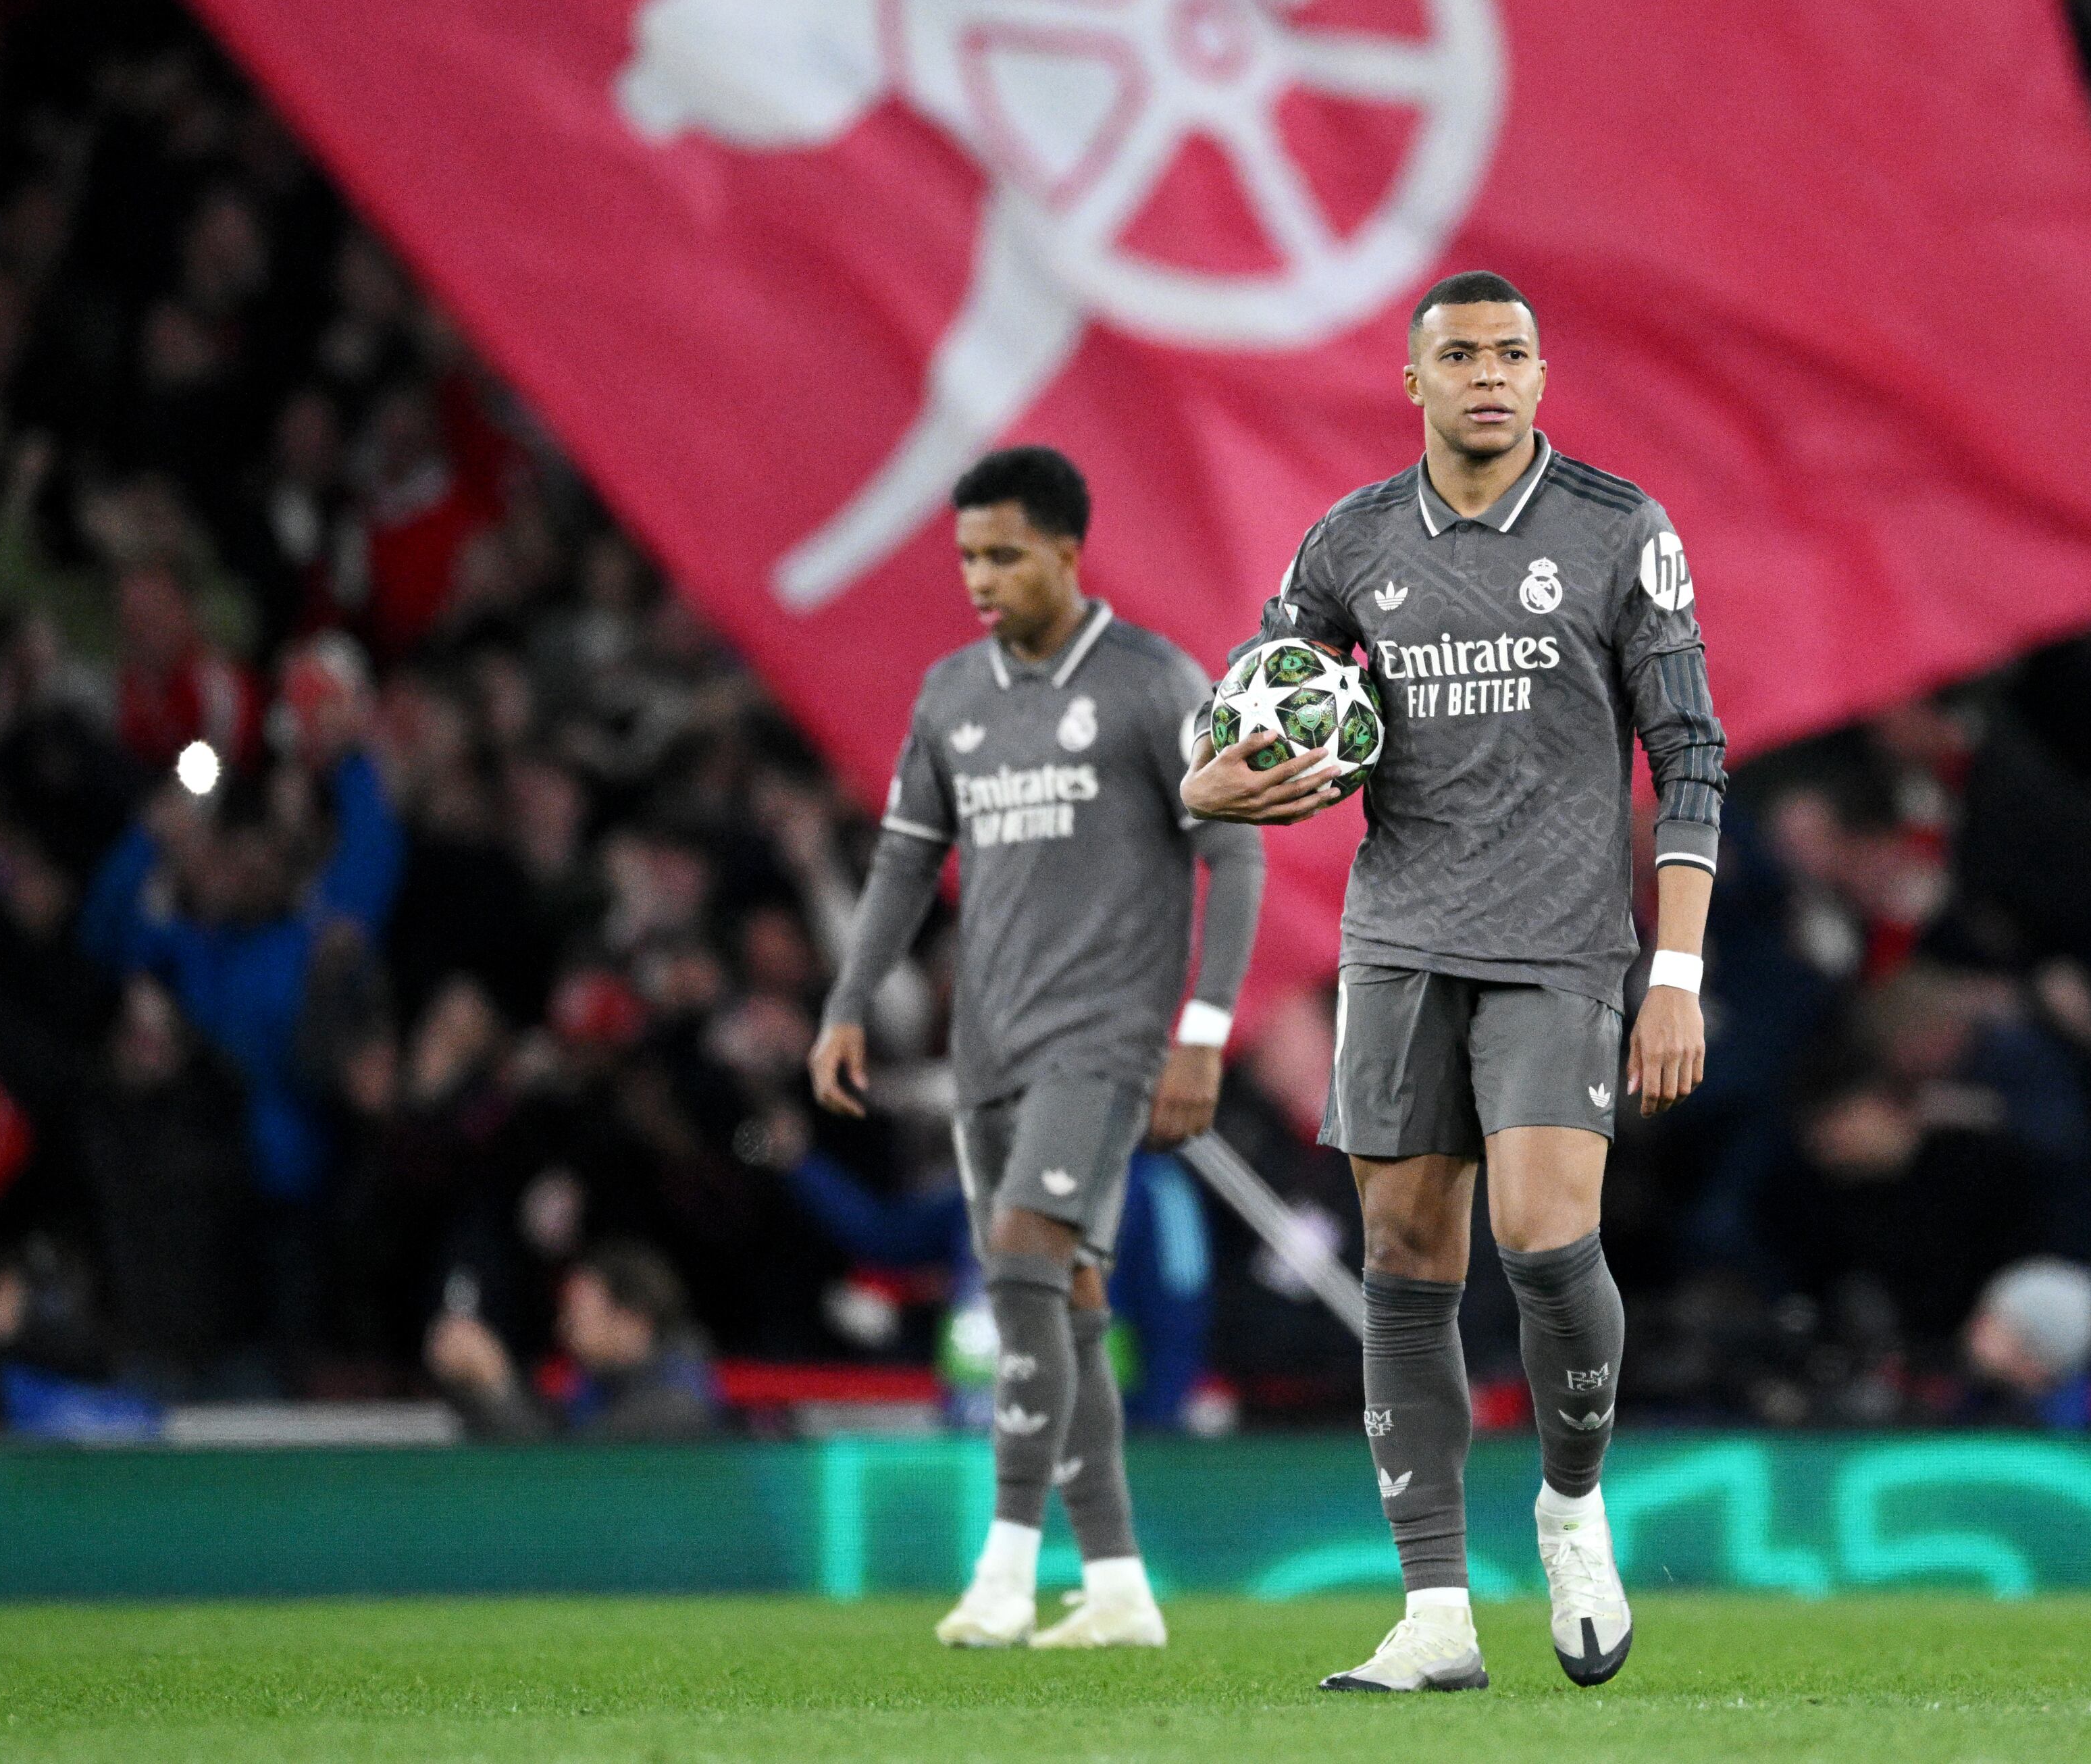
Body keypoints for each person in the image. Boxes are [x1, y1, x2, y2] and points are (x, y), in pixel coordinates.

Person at [1185, 269, 1724, 1694]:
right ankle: (1434, 1611)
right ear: (1413, 381)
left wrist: (1675, 971)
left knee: (1545, 1241)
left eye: (1513, 353)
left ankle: (1571, 1501)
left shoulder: (1620, 528)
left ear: (1542, 376)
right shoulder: (1351, 539)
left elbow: (1690, 752)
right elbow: (1256, 693)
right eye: (1462, 354)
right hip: (1401, 941)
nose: (1490, 373)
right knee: (1406, 1268)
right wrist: (1210, 776)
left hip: (1559, 943)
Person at [808, 446, 1262, 1651]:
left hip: (1104, 1039)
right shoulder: (952, 692)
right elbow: (907, 857)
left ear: (1068, 551)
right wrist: (848, 1001)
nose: (980, 577)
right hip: (988, 1047)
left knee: (1018, 1266)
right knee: (1064, 1300)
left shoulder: (1152, 681)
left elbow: (1233, 850)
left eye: (1004, 554)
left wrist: (1203, 1032)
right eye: (967, 555)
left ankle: (1004, 1567)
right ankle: (1117, 1584)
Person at [424, 1239, 719, 1439]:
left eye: (576, 1315)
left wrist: (496, 1383)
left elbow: (562, 1471)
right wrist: (474, 1387)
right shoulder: (596, 1386)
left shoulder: (673, 1405)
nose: (562, 1330)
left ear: (632, 1320)